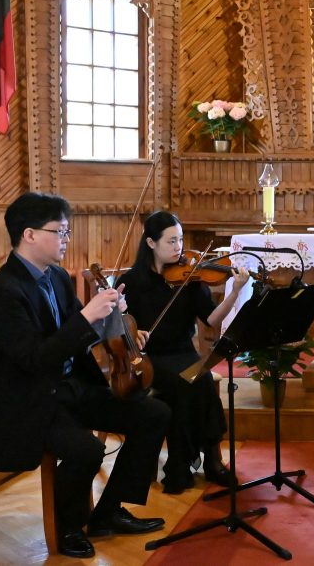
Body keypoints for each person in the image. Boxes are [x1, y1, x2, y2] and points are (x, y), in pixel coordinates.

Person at [0, 192, 170, 559]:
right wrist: (88, 315)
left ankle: (108, 512)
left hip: (66, 388)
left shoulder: (57, 276)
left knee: (153, 413)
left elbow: (80, 336)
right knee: (87, 449)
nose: (66, 239)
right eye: (59, 231)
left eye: (67, 231)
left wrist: (113, 318)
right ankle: (67, 527)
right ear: (29, 235)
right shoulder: (3, 291)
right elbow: (35, 359)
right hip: (25, 401)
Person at [118, 211, 249, 494]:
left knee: (201, 378)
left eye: (180, 240)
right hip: (149, 359)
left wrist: (235, 292)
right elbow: (118, 325)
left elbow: (211, 320)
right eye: (171, 241)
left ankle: (209, 460)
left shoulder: (190, 277)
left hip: (183, 353)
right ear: (151, 243)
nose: (179, 247)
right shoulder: (132, 281)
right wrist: (131, 331)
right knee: (184, 384)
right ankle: (186, 465)